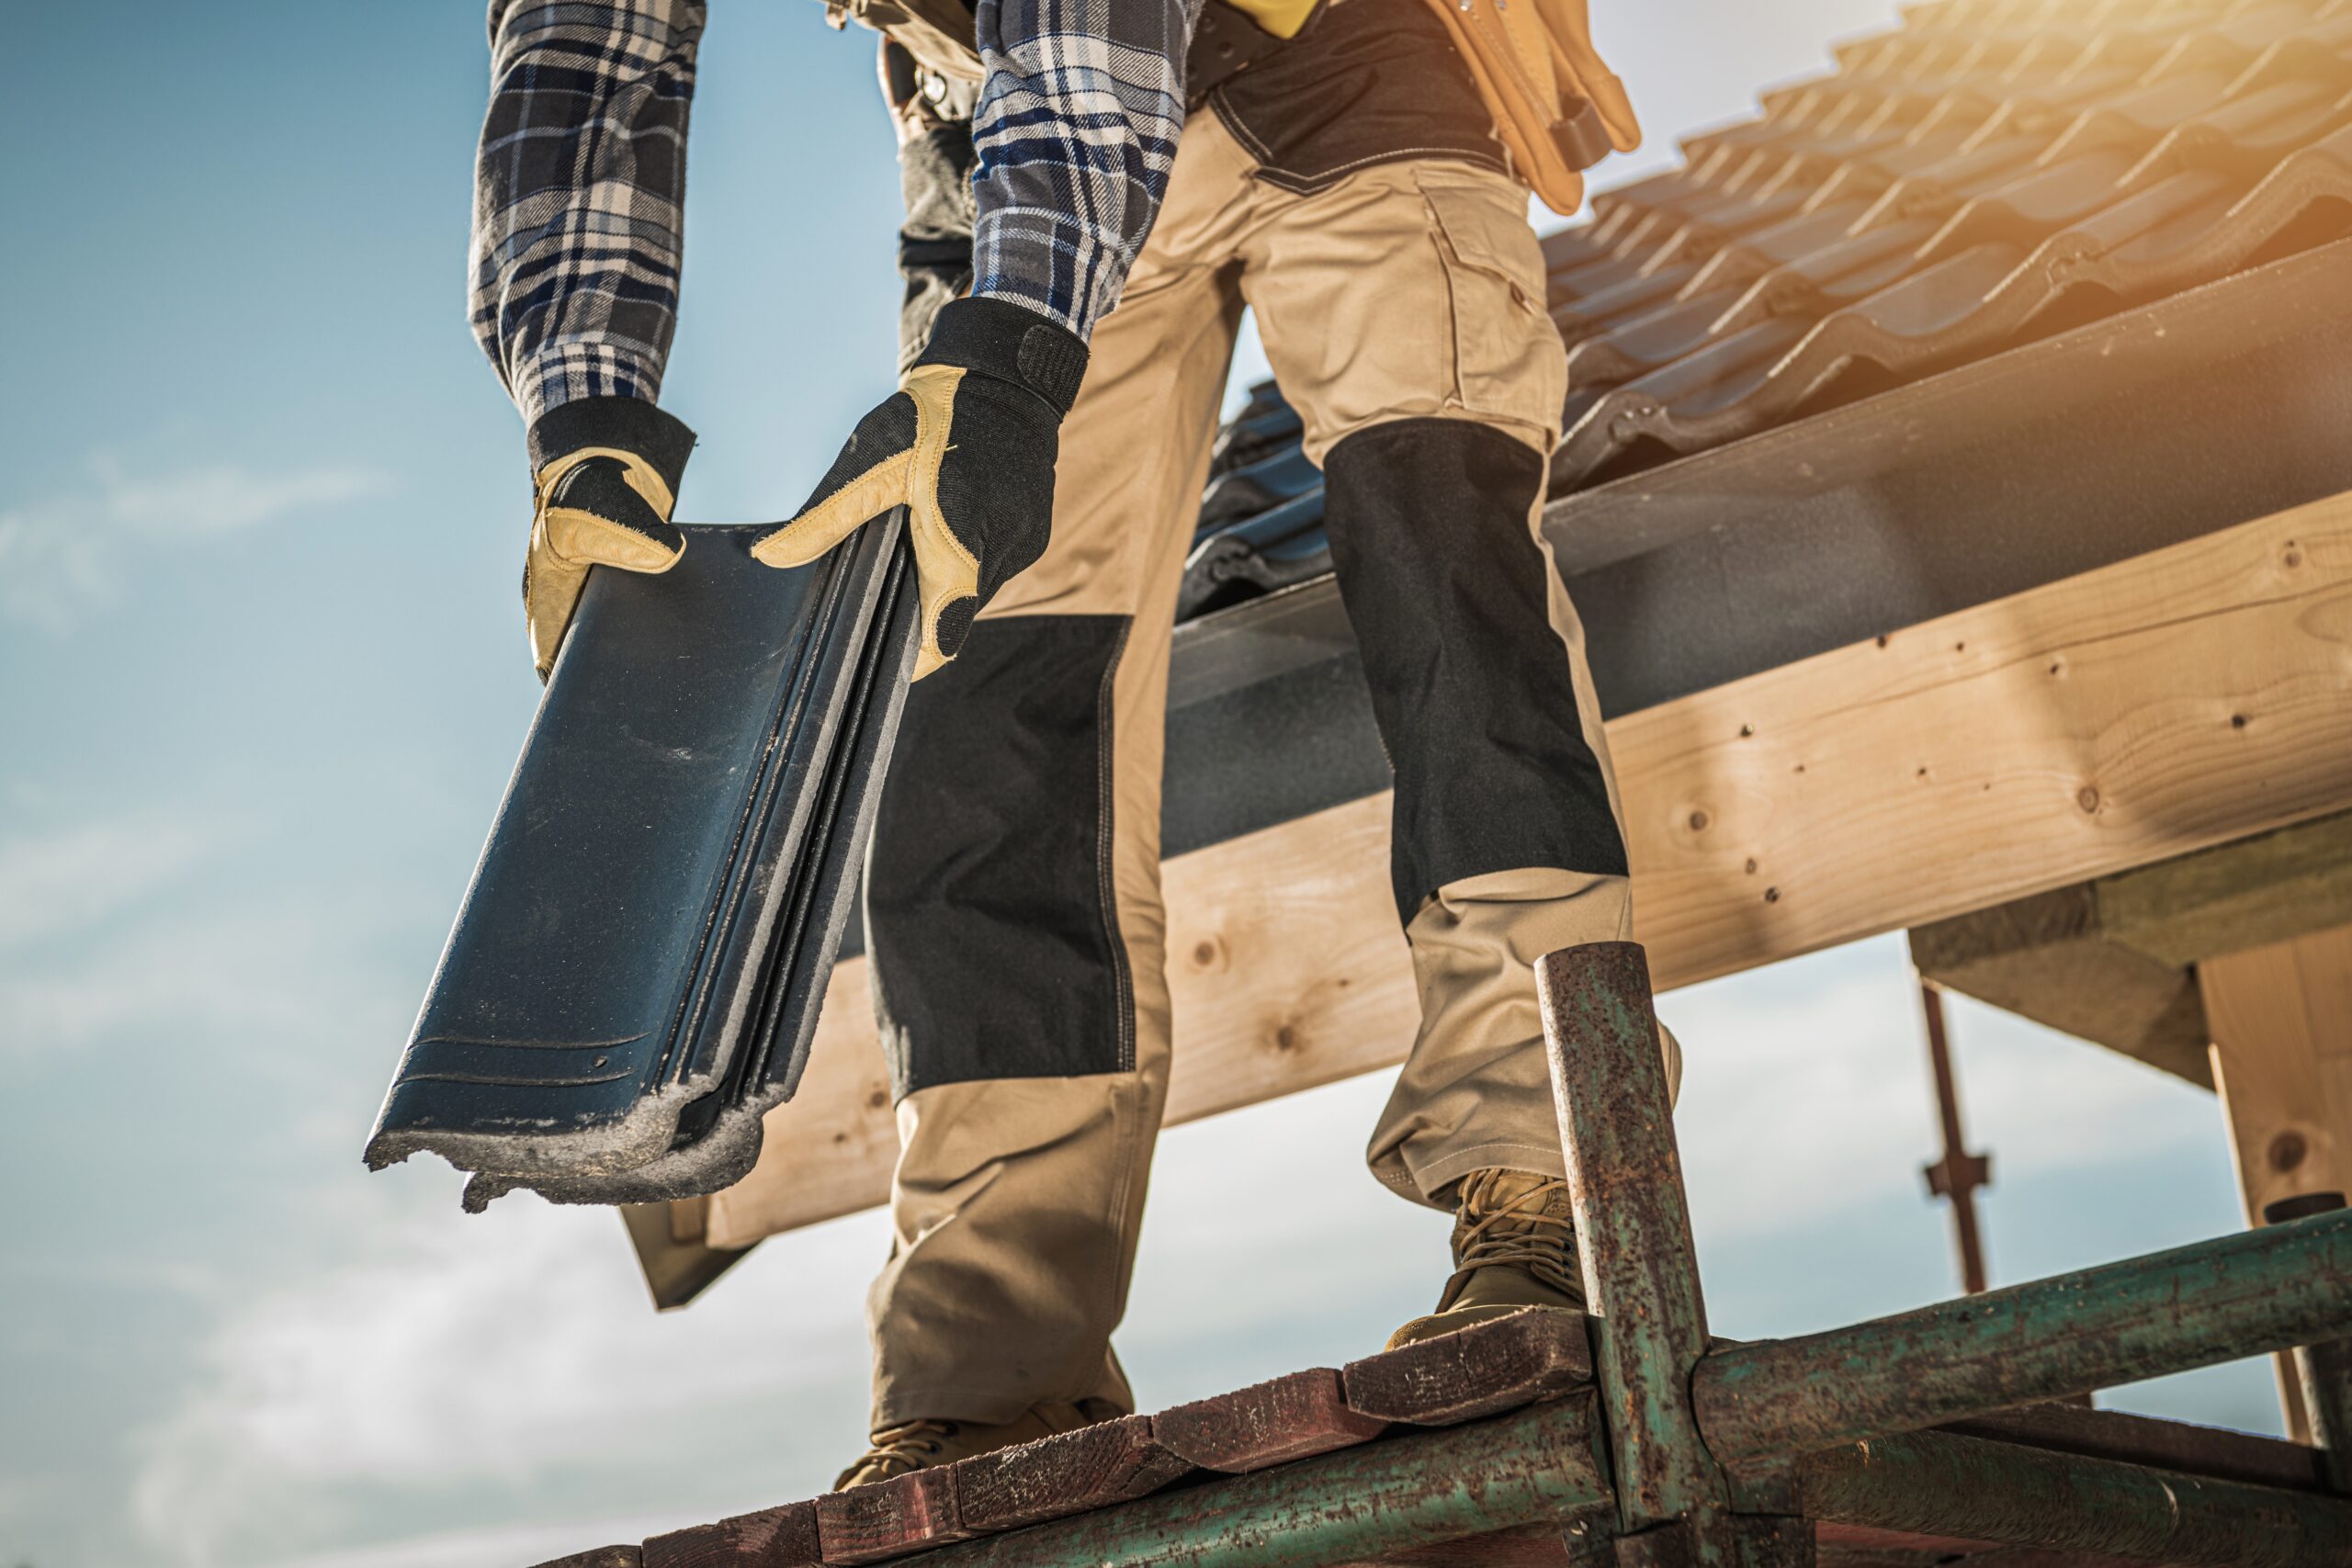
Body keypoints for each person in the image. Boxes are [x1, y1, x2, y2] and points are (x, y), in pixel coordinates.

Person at [468, 0, 1661, 1490]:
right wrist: (583, 422)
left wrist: (1018, 357)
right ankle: (988, 1368)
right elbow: (589, 60)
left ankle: (1544, 1184)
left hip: (1349, 61)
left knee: (1443, 557)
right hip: (998, 128)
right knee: (983, 701)